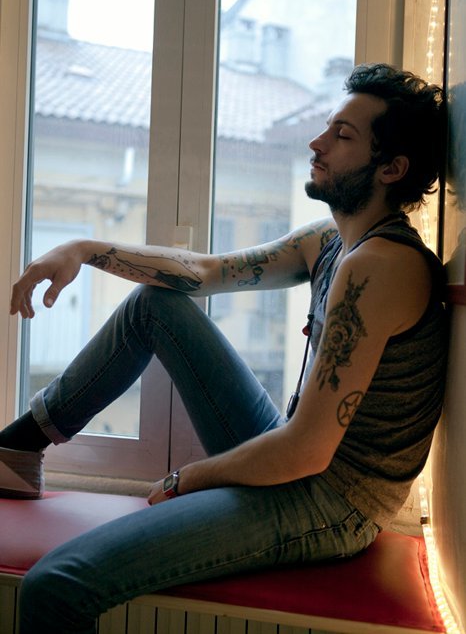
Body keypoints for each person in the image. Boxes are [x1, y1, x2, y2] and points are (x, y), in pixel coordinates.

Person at [0, 63, 448, 634]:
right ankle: (18, 449)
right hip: (300, 458)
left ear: (391, 168)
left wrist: (184, 480)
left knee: (54, 586)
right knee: (154, 304)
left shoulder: (383, 266)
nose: (316, 143)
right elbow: (205, 271)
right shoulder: (331, 241)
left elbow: (306, 453)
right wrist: (83, 249)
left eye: (342, 136)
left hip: (331, 503)